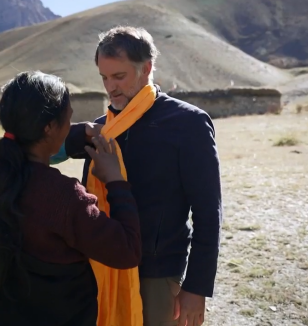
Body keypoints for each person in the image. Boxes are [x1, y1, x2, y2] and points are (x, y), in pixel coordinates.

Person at [53, 26, 223, 326]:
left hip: (156, 276)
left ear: (147, 68)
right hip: (98, 267)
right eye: (104, 78)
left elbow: (208, 214)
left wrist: (196, 288)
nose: (110, 88)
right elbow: (41, 147)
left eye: (119, 77)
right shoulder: (100, 129)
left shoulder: (187, 123)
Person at [0, 70, 142, 326]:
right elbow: (126, 250)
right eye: (68, 119)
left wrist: (78, 134)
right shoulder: (62, 198)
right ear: (49, 127)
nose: (71, 125)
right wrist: (116, 182)